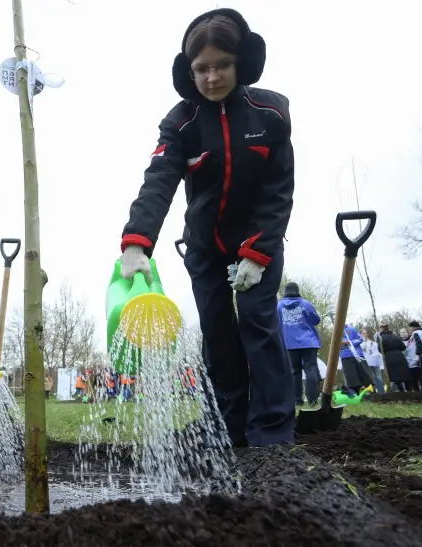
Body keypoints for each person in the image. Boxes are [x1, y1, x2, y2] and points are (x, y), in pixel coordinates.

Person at [119, 9, 295, 446]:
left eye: (222, 65)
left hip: (258, 242)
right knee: (217, 333)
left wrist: (257, 253)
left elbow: (278, 191)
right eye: (202, 68)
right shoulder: (181, 122)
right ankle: (226, 426)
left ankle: (272, 432)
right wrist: (137, 242)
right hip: (205, 247)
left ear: (242, 63)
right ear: (188, 71)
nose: (212, 77)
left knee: (258, 323)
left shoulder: (270, 114)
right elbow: (159, 179)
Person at [277, 282, 322, 405]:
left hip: (290, 343)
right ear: (297, 291)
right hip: (308, 342)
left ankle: (297, 400)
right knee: (311, 369)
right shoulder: (305, 303)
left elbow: (277, 324)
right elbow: (316, 320)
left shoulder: (279, 306)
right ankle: (312, 400)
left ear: (285, 292)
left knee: (294, 371)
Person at [339, 324, 372, 394]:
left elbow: (360, 339)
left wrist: (350, 342)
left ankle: (371, 391)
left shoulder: (352, 329)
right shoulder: (336, 331)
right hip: (345, 356)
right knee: (351, 377)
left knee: (364, 374)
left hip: (357, 355)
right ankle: (354, 393)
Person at [378, 324, 411, 392]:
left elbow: (380, 349)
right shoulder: (395, 337)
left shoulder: (381, 338)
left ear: (381, 329)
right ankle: (409, 390)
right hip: (399, 355)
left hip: (389, 357)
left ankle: (401, 390)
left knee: (394, 374)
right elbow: (403, 347)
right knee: (404, 373)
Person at [361, 329, 385, 394]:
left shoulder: (372, 342)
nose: (365, 335)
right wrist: (363, 341)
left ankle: (381, 392)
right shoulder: (360, 343)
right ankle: (372, 392)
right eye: (363, 333)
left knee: (378, 376)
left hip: (374, 362)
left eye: (365, 333)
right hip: (366, 363)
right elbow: (363, 348)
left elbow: (377, 351)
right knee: (370, 377)